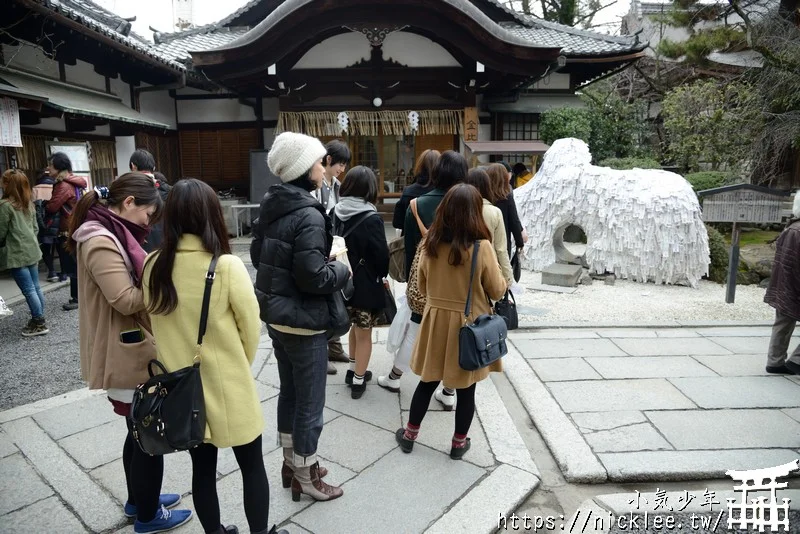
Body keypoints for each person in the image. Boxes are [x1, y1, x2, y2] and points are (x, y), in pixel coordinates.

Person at [144, 179, 285, 534]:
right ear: (212, 215)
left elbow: (156, 323)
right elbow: (251, 330)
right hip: (229, 387)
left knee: (202, 470)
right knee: (252, 465)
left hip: (181, 393)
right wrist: (237, 364)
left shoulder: (152, 265)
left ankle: (215, 532)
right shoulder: (225, 266)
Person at [68, 173, 192, 533]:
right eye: (147, 215)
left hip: (129, 343)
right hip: (126, 348)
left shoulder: (109, 231)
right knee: (149, 437)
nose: (148, 224)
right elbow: (123, 298)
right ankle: (149, 516)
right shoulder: (100, 240)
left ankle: (140, 500)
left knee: (137, 432)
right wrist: (166, 285)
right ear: (128, 204)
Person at [250, 131, 350, 502]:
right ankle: (307, 477)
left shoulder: (272, 204)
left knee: (290, 394)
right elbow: (315, 276)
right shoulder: (307, 214)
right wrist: (341, 268)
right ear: (303, 169)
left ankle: (292, 463)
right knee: (310, 403)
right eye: (319, 163)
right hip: (304, 322)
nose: (324, 169)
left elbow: (262, 258)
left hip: (278, 318)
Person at [395, 183, 506, 459]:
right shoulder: (482, 248)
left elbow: (420, 285)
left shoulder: (430, 243)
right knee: (467, 389)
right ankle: (458, 444)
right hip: (468, 325)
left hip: (435, 322)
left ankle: (409, 435)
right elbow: (496, 289)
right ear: (474, 214)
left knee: (427, 381)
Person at [378, 151, 468, 410]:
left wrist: (410, 279)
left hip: (425, 278)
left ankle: (395, 377)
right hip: (460, 283)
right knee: (456, 334)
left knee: (415, 329)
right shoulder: (470, 204)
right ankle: (449, 390)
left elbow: (408, 245)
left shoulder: (417, 204)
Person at [332, 166, 390, 399]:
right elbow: (381, 256)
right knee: (364, 331)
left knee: (354, 328)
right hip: (365, 285)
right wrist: (382, 275)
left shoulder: (336, 211)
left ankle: (352, 370)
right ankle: (358, 380)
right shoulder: (371, 217)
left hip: (342, 281)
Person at [315, 139, 353, 374]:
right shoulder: (316, 184)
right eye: (340, 164)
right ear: (328, 160)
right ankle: (323, 350)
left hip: (335, 245)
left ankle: (335, 345)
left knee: (336, 296)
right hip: (319, 247)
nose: (342, 169)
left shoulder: (337, 185)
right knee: (323, 299)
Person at [0, 169, 49, 336]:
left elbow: (1, 232)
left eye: (2, 181)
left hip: (17, 252)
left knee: (28, 289)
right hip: (32, 249)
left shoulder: (6, 206)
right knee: (35, 286)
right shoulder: (29, 202)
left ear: (8, 184)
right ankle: (39, 317)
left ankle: (39, 322)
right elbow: (35, 228)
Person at [764, 193, 800, 375]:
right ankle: (796, 361)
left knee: (783, 323)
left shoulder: (791, 227)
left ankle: (775, 361)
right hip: (795, 284)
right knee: (784, 322)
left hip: (783, 283)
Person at [46, 151, 87, 310]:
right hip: (76, 226)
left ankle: (77, 298)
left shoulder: (63, 185)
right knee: (76, 263)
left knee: (72, 265)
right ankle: (79, 296)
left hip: (68, 229)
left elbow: (52, 206)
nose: (48, 168)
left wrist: (43, 205)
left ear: (59, 166)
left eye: (50, 165)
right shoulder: (74, 181)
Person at [465, 168, 513, 284]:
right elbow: (501, 249)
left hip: (462, 266)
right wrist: (508, 278)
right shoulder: (494, 212)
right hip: (488, 268)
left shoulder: (459, 209)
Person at [129, 149, 171, 252]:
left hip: (140, 248)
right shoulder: (171, 191)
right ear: (154, 168)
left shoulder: (127, 192)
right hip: (167, 247)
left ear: (133, 166)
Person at [391, 149, 441, 232]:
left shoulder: (408, 192)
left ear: (420, 166)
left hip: (412, 241)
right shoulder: (445, 193)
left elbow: (397, 223)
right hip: (438, 242)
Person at [487, 163, 527, 258]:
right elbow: (514, 221)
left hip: (486, 242)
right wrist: (519, 243)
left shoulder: (483, 195)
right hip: (503, 242)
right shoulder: (506, 197)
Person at [32, 171, 59, 282]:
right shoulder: (56, 187)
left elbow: (33, 208)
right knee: (59, 246)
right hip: (57, 221)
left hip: (43, 223)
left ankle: (52, 272)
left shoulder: (35, 189)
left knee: (45, 246)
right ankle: (64, 272)